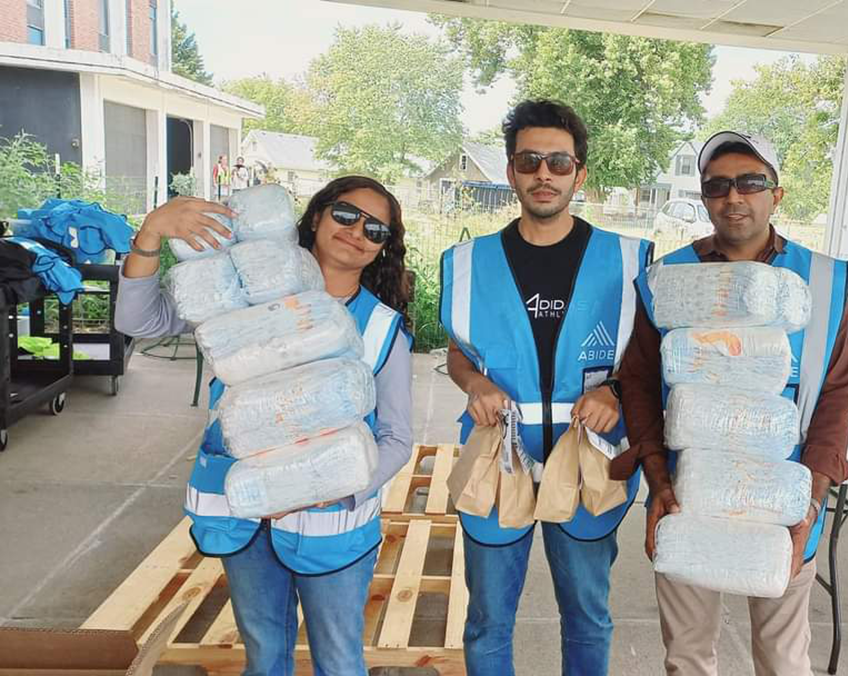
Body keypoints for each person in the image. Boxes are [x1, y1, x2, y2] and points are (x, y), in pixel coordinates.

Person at [114, 175, 414, 675]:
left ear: (382, 249)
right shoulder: (240, 295)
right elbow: (138, 323)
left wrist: (337, 489)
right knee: (265, 656)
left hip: (330, 526)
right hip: (244, 517)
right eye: (345, 214)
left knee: (340, 661)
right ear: (316, 216)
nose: (357, 230)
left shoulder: (382, 328)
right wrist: (150, 235)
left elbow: (397, 438)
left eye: (376, 229)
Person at [615, 131, 848, 676]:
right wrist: (658, 483)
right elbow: (638, 384)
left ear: (777, 193)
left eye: (751, 182)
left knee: (782, 659)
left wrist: (809, 505)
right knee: (688, 657)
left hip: (785, 500)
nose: (734, 197)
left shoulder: (821, 279)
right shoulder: (669, 278)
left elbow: (835, 396)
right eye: (717, 185)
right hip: (688, 495)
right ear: (703, 197)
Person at [439, 99, 652, 676]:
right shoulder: (468, 263)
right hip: (497, 456)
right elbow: (460, 353)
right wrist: (473, 380)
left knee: (586, 615)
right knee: (487, 620)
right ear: (510, 171)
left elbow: (651, 355)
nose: (544, 174)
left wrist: (616, 391)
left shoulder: (629, 261)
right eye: (530, 160)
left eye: (559, 163)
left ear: (579, 174)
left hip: (590, 458)